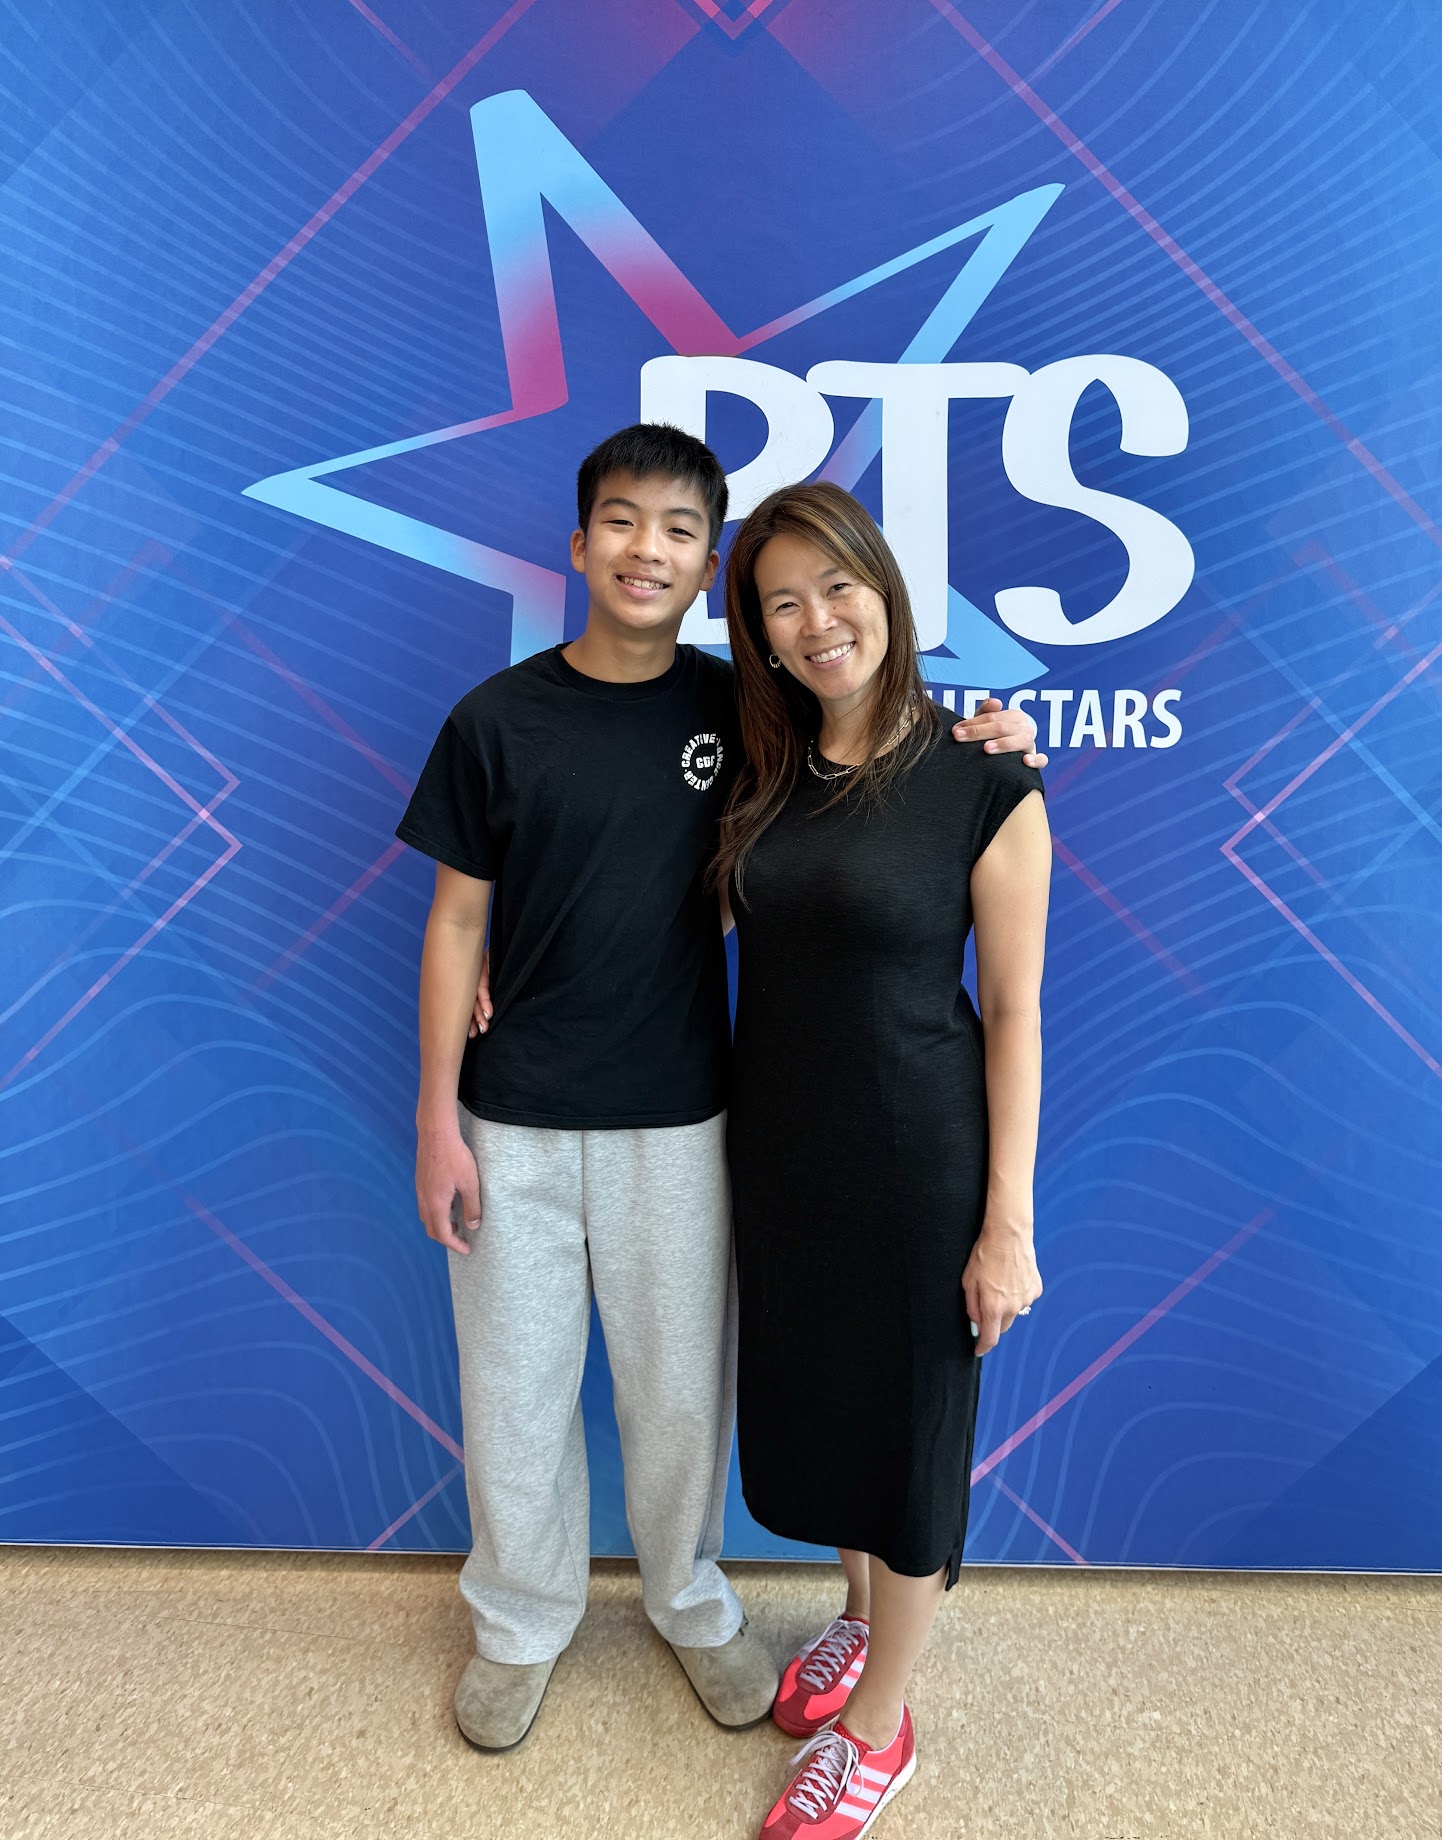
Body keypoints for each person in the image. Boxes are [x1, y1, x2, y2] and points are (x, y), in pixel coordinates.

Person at [397, 425, 1044, 1754]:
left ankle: (692, 1605)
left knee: (682, 1399)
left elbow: (891, 777)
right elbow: (458, 918)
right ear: (579, 543)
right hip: (517, 1112)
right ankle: (518, 1623)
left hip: (691, 1114)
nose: (648, 550)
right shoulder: (497, 720)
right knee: (512, 1397)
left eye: (682, 531)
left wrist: (994, 735)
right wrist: (435, 1112)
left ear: (706, 573)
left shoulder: (743, 717)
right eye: (621, 522)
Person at [716, 482, 1050, 1839]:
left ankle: (880, 1731)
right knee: (836, 1413)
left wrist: (1006, 1224)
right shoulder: (764, 770)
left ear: (887, 590)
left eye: (837, 587)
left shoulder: (986, 780)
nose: (817, 622)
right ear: (758, 631)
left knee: (908, 1443)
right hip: (785, 1158)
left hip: (920, 1163)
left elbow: (1015, 1012)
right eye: (782, 602)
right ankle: (859, 1618)